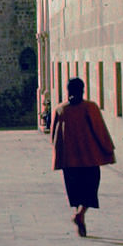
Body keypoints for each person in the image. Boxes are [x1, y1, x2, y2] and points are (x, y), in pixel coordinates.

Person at [50, 77, 115, 236]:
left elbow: (54, 135)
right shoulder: (90, 107)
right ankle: (80, 215)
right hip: (89, 159)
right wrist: (108, 149)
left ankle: (79, 215)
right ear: (83, 90)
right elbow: (100, 130)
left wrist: (60, 155)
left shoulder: (60, 109)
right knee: (90, 189)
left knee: (76, 191)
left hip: (69, 160)